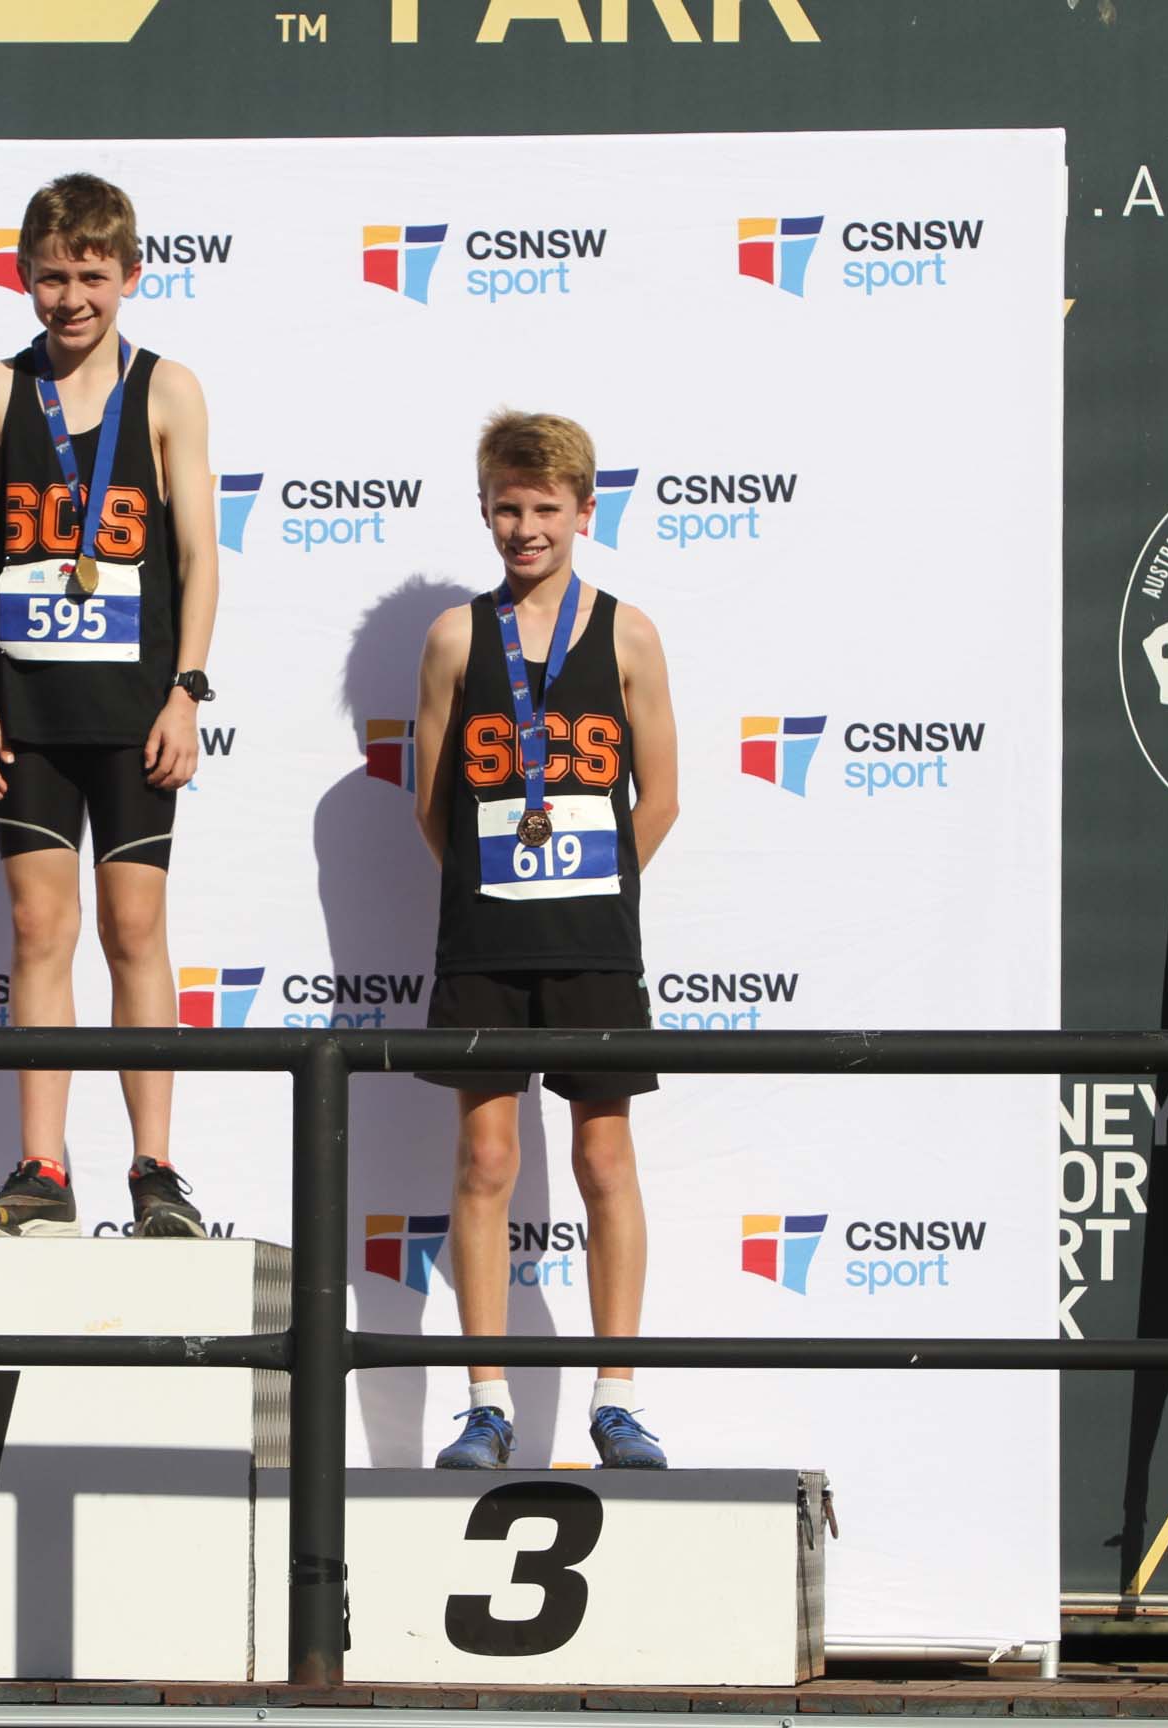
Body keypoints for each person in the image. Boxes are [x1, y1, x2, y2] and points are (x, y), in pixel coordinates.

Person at [0, 173, 219, 1238]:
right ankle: (42, 1170)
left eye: (92, 277)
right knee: (37, 927)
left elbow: (199, 556)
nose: (72, 298)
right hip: (29, 708)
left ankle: (156, 1172)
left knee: (134, 925)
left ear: (130, 275)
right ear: (24, 277)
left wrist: (187, 691)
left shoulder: (169, 388)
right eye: (52, 277)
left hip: (137, 708)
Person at [410, 410, 679, 1467]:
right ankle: (486, 1402)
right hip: (483, 942)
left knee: (604, 1157)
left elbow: (660, 798)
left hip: (595, 944)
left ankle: (618, 1397)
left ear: (584, 511)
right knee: (485, 1158)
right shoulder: (454, 638)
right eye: (507, 508)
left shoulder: (629, 633)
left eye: (545, 509)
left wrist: (590, 888)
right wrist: (502, 891)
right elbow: (431, 804)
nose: (526, 528)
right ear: (484, 510)